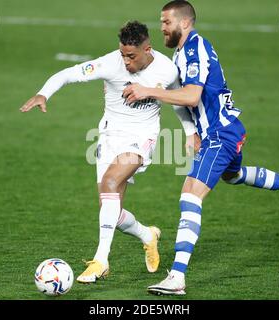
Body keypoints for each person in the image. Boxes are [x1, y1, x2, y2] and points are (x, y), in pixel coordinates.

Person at [122, 0, 279, 295]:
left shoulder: (194, 49)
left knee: (190, 194)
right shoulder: (183, 53)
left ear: (185, 23)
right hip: (223, 132)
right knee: (233, 175)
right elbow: (190, 100)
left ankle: (177, 278)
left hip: (221, 134)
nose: (162, 28)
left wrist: (148, 91)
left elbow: (191, 96)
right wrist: (191, 131)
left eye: (166, 23)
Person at [20, 21, 199, 284]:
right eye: (123, 54)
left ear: (147, 49)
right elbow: (68, 74)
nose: (125, 61)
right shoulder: (110, 63)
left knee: (111, 182)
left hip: (141, 138)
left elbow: (177, 102)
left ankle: (101, 260)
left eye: (131, 56)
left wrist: (188, 131)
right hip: (108, 136)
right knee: (111, 212)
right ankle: (147, 235)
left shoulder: (167, 69)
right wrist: (42, 94)